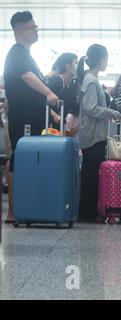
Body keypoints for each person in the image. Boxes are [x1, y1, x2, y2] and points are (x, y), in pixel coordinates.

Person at [3, 11, 59, 224]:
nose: (37, 31)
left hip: (34, 116)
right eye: (33, 28)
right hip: (23, 117)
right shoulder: (16, 53)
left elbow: (33, 89)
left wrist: (51, 112)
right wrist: (48, 93)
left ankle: (28, 205)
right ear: (20, 31)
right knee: (20, 157)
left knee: (29, 159)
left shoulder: (27, 55)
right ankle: (13, 211)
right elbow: (27, 77)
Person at [77, 44, 121, 222]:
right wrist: (111, 112)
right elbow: (90, 108)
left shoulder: (90, 79)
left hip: (94, 134)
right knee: (91, 174)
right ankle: (87, 212)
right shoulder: (91, 80)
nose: (107, 62)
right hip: (93, 136)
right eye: (106, 58)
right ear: (100, 59)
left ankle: (88, 211)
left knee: (91, 172)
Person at [46, 52, 79, 130]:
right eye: (75, 63)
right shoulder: (57, 81)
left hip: (64, 127)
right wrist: (54, 115)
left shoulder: (71, 85)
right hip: (53, 126)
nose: (77, 66)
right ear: (67, 65)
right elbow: (42, 100)